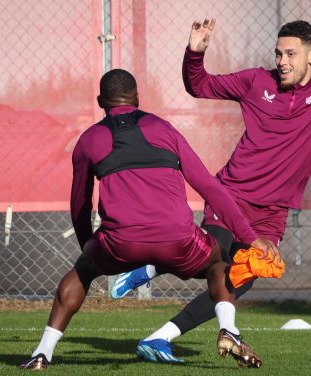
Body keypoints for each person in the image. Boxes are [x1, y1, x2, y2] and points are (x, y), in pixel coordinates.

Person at [110, 12, 311, 362]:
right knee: (213, 256)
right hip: (232, 194)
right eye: (278, 53)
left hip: (273, 211)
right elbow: (200, 86)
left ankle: (159, 338)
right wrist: (195, 53)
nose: (282, 61)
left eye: (290, 54)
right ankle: (148, 268)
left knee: (240, 279)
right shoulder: (257, 82)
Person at [17, 69, 277, 370]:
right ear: (138, 99)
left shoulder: (89, 140)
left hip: (120, 243)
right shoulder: (163, 129)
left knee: (82, 273)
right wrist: (249, 236)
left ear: (101, 101)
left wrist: (88, 248)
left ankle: (42, 354)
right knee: (219, 264)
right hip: (178, 239)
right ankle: (228, 329)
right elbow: (208, 185)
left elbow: (80, 204)